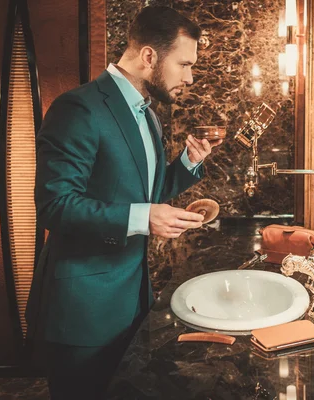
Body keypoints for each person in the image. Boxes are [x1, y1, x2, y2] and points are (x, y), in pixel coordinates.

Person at [25, 6, 221, 399]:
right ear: (150, 56)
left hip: (133, 300)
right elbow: (55, 204)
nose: (190, 77)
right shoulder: (78, 108)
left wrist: (187, 164)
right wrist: (144, 218)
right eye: (184, 64)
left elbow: (146, 193)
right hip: (84, 310)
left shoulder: (148, 115)